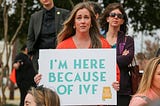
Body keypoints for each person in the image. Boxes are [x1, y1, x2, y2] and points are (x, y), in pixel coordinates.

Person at [99, 3, 134, 106]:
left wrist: (105, 59)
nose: (116, 17)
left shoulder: (128, 40)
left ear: (122, 21)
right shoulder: (98, 40)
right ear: (107, 19)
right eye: (112, 14)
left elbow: (126, 60)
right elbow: (96, 61)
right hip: (101, 88)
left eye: (119, 16)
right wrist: (119, 57)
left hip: (122, 89)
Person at [27, 0, 70, 73]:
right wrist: (31, 53)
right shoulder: (35, 17)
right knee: (42, 81)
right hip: (40, 56)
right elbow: (30, 37)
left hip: (60, 55)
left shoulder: (65, 14)